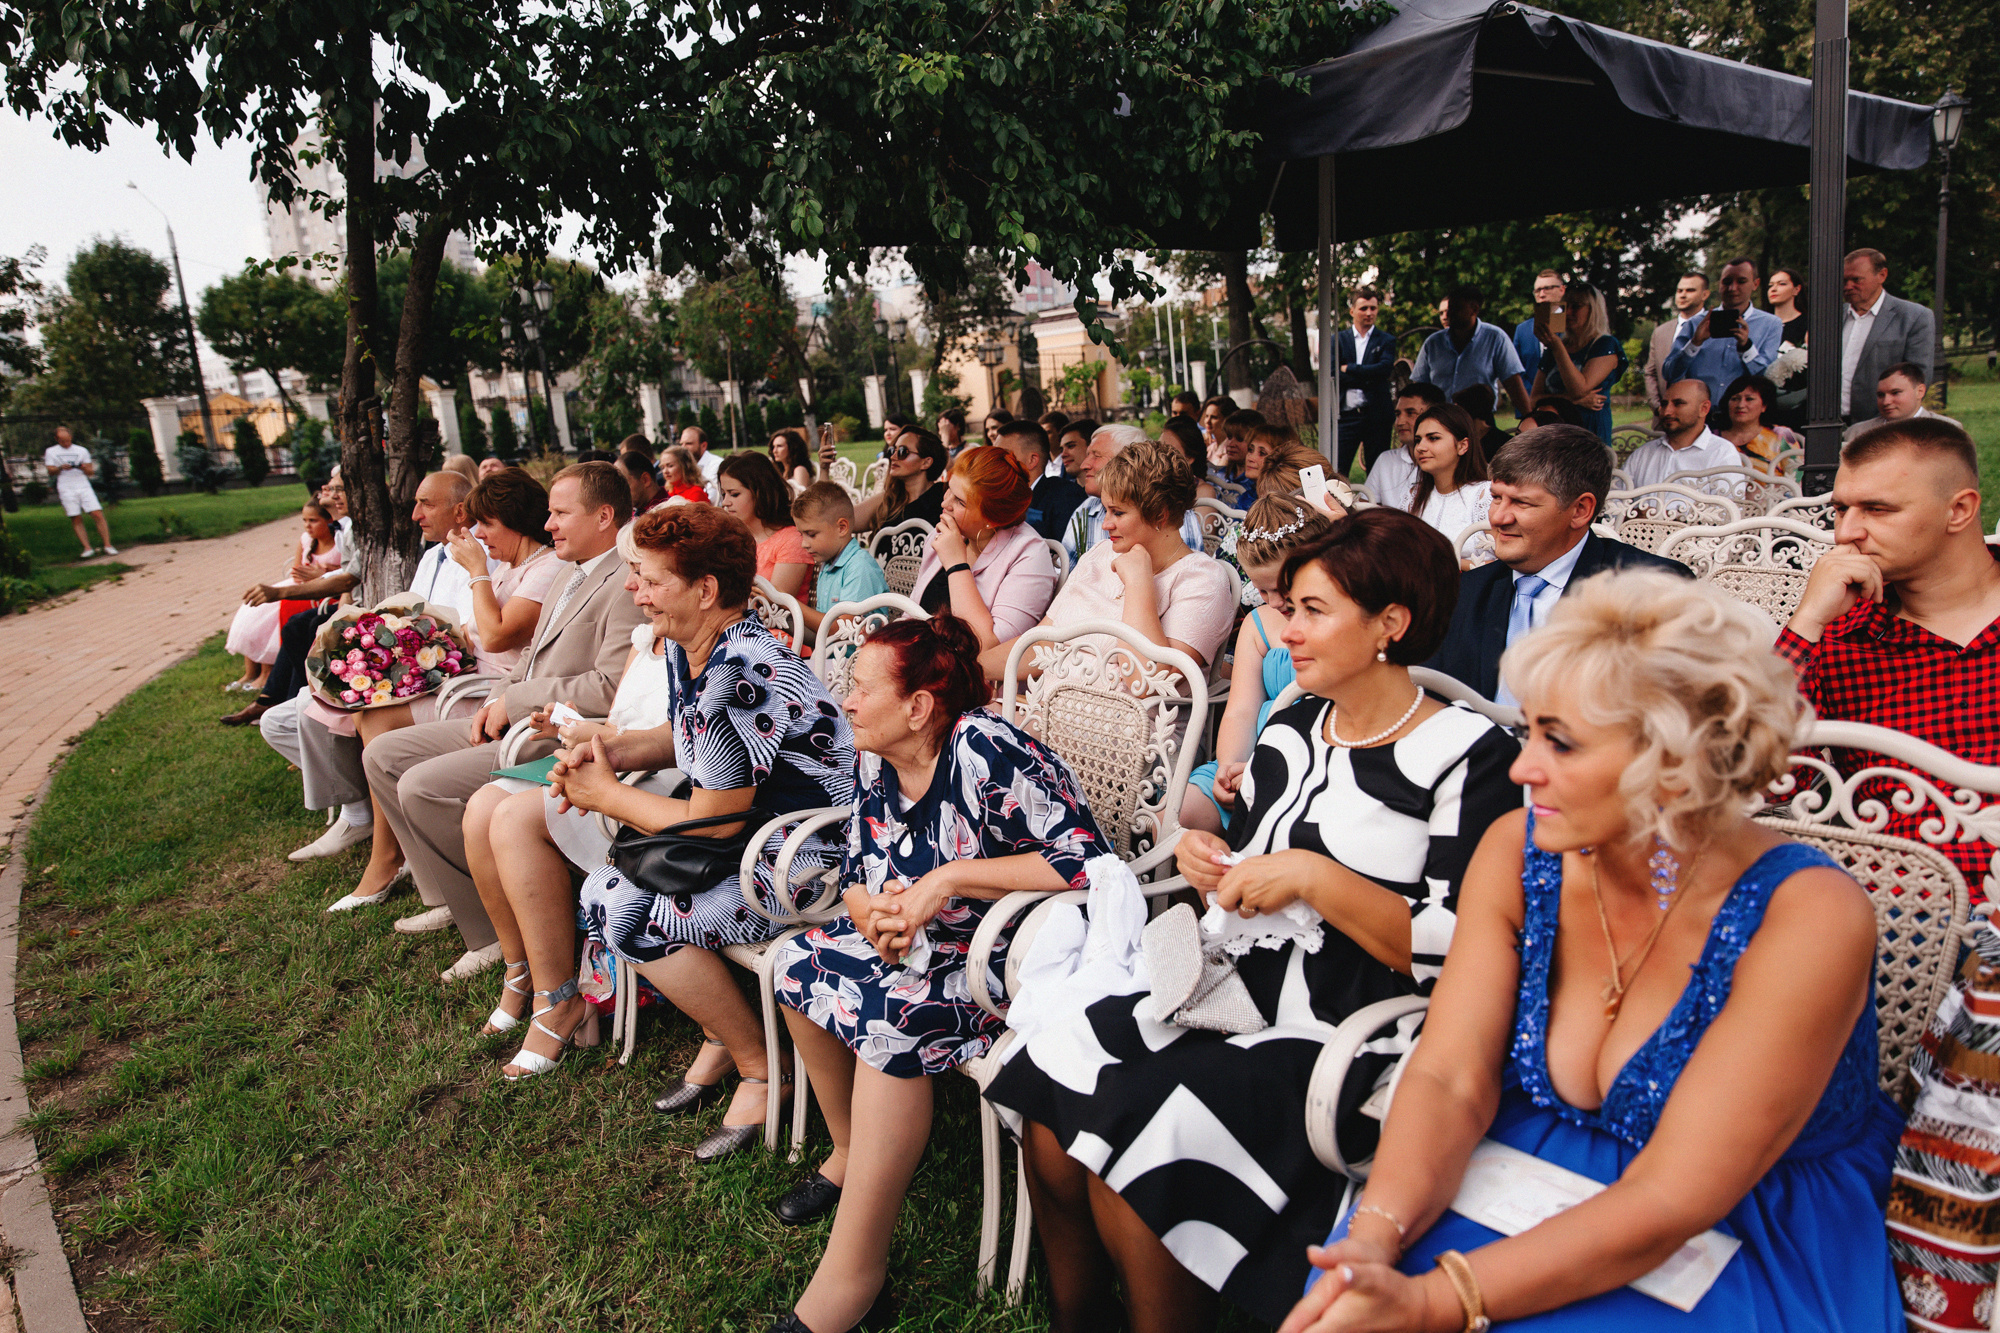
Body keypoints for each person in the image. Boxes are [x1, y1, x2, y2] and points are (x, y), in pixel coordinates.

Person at [1285, 570, 1900, 1333]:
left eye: (1560, 742)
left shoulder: (1807, 914)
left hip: (1740, 1222)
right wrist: (1376, 1236)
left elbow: (1675, 1197)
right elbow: (1448, 1075)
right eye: (1529, 730)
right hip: (1522, 1165)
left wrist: (1436, 1300)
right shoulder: (1520, 849)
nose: (1520, 768)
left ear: (1676, 763)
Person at [986, 507, 1524, 1333]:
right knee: (1052, 1080)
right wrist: (1213, 866)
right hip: (1228, 982)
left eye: (1312, 610)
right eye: (1287, 607)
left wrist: (1315, 877)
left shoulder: (1469, 757)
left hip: (1352, 1019)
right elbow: (1250, 875)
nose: (1284, 631)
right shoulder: (1292, 729)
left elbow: (1458, 948)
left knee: (1142, 1125)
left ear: (1391, 623)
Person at [769, 613, 1111, 1333]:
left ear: (918, 705)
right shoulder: (875, 754)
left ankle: (853, 1279)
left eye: (861, 688)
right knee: (795, 963)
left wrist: (949, 878)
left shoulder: (985, 750)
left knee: (892, 1020)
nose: (847, 701)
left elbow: (1084, 860)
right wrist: (869, 916)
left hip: (998, 955)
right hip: (916, 941)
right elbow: (860, 862)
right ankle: (851, 1150)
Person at [548, 507, 856, 1160]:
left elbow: (714, 817)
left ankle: (761, 1067)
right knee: (609, 894)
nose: (635, 589)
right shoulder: (698, 648)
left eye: (650, 578)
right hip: (749, 839)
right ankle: (728, 1037)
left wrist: (605, 794)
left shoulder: (740, 673)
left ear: (705, 589)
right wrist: (612, 751)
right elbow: (686, 742)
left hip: (807, 855)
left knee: (627, 907)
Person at [362, 461, 645, 978]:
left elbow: (609, 688)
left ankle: (490, 931)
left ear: (605, 516)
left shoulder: (627, 579)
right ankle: (450, 893)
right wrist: (499, 696)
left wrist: (514, 705)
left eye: (560, 513)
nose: (549, 524)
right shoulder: (570, 568)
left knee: (422, 786)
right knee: (382, 754)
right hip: (513, 714)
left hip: (555, 732)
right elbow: (531, 657)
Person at [459, 521, 678, 1045]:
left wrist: (602, 747)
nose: (630, 587)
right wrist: (571, 726)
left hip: (658, 781)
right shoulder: (648, 635)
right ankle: (521, 971)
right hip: (617, 757)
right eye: (630, 571)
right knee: (482, 805)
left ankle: (557, 998)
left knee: (512, 816)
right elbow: (622, 717)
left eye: (641, 574)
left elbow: (678, 737)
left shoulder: (705, 644)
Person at [318, 469, 561, 916]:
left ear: (510, 520)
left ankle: (396, 857)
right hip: (471, 679)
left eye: (485, 523)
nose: (478, 534)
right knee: (367, 708)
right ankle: (410, 857)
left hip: (492, 691)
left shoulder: (545, 569)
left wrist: (475, 573)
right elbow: (475, 633)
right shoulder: (510, 565)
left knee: (380, 722)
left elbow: (496, 637)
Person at [1778, 416, 2000, 895]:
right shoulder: (1837, 639)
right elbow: (1751, 780)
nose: (1846, 533)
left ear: (1959, 510)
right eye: (1840, 510)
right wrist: (1806, 624)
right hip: (1902, 923)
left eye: (1877, 509)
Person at [262, 473, 485, 927]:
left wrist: (408, 663)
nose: (414, 515)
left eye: (425, 504)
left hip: (461, 677)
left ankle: (386, 857)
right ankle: (360, 816)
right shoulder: (431, 556)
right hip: (428, 668)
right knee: (315, 707)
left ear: (459, 511)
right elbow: (416, 616)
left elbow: (472, 635)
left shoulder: (485, 558)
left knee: (372, 718)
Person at [1426, 424, 1691, 705]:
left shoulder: (1652, 592)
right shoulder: (1463, 593)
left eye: (1521, 503)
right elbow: (1430, 697)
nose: (1499, 518)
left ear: (1580, 510)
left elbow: (1666, 713)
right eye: (1496, 498)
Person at [993, 437, 1236, 683]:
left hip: (1134, 719)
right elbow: (1042, 643)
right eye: (1106, 509)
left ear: (1160, 514)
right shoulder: (1101, 553)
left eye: (1118, 512)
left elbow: (1145, 681)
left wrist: (1139, 583)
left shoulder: (1202, 579)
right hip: (1045, 712)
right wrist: (971, 671)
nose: (1106, 524)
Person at [1182, 493, 1333, 833]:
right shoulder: (1259, 623)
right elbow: (1241, 711)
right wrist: (1232, 766)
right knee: (1181, 813)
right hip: (1252, 747)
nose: (1276, 602)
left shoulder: (1336, 622)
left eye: (1284, 587)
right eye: (1263, 592)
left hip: (1311, 754)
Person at [908, 445, 1058, 652]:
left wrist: (956, 565)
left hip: (975, 678)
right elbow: (912, 614)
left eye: (960, 502)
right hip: (918, 660)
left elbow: (989, 646)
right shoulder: (943, 536)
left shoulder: (1029, 555)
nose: (945, 504)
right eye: (948, 489)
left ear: (992, 519)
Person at [223, 500, 342, 694]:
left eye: (313, 520)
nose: (307, 525)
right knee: (256, 608)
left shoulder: (339, 541)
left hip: (323, 590)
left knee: (280, 609)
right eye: (304, 520)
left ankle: (266, 673)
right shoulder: (306, 539)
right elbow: (297, 569)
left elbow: (343, 574)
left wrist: (320, 573)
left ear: (328, 521)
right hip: (300, 585)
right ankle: (250, 672)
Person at [1062, 425, 1206, 562]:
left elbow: (1182, 567)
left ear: (1128, 463)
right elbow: (1066, 573)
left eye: (1096, 456)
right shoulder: (1086, 510)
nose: (1084, 465)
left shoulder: (1174, 516)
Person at [1663, 257, 1783, 412]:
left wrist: (1747, 347)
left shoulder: (1770, 324)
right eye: (1726, 282)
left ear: (1755, 284)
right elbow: (1670, 373)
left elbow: (1767, 378)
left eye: (1741, 281)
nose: (1732, 288)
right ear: (1719, 285)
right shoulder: (1696, 323)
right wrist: (1695, 343)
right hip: (1700, 418)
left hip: (1742, 418)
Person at [1839, 247, 1935, 423]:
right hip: (1829, 422)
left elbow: (1918, 376)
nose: (1848, 286)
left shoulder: (1913, 317)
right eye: (1844, 280)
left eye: (1856, 280)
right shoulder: (1832, 317)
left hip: (1881, 425)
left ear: (1882, 275)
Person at [1528, 280, 1627, 445]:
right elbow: (1534, 399)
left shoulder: (1605, 345)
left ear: (1593, 310)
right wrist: (1571, 401)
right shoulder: (1554, 346)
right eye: (1564, 307)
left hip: (1588, 434)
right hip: (1554, 434)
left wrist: (1558, 347)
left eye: (1576, 306)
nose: (1568, 313)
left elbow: (1579, 389)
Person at [1410, 286, 1532, 420]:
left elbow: (1513, 384)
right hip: (1441, 420)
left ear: (1474, 309)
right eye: (1448, 309)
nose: (1448, 314)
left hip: (1480, 422)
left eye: (1456, 309)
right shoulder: (1433, 343)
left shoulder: (1496, 338)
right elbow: (1419, 389)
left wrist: (1529, 418)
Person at [792, 483, 889, 642]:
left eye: (811, 534)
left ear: (842, 528)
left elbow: (842, 630)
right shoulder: (828, 562)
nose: (804, 543)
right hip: (831, 656)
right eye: (801, 535)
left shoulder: (859, 567)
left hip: (855, 661)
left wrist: (792, 605)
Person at [717, 451, 811, 600]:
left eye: (734, 494)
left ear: (760, 493)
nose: (725, 502)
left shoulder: (791, 540)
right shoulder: (735, 537)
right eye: (723, 494)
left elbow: (775, 605)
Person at [1620, 380, 1745, 491]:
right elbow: (1615, 500)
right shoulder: (1644, 453)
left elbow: (1729, 511)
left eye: (1678, 404)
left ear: (1704, 409)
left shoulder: (1722, 453)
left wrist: (1674, 518)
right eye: (1664, 404)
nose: (1667, 412)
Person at [1403, 405, 1492, 546]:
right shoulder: (1414, 496)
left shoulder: (1485, 495)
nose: (1420, 447)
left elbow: (1504, 561)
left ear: (1462, 446)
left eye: (1433, 438)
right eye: (1418, 440)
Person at [1335, 288, 1400, 477]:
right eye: (1364, 308)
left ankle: (1376, 506)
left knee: (1377, 471)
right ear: (1352, 311)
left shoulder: (1386, 340)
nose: (1369, 313)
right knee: (1338, 470)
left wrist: (1351, 368)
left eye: (1373, 308)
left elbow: (1384, 370)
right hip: (1346, 415)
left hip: (1377, 415)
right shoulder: (1337, 340)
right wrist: (1369, 376)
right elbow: (1333, 373)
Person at [837, 426, 948, 533]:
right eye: (892, 450)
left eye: (902, 452)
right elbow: (839, 521)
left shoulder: (945, 499)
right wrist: (824, 469)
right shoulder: (890, 500)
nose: (893, 457)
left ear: (926, 462)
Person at [996, 419, 1085, 541]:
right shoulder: (998, 499)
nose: (994, 463)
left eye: (1004, 456)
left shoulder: (1065, 496)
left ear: (1032, 460)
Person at [1644, 273, 1711, 429]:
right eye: (1679, 291)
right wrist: (1658, 407)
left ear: (1705, 294)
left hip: (1704, 422)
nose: (1682, 295)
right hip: (1664, 422)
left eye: (1690, 290)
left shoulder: (1715, 329)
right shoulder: (1661, 332)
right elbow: (1651, 372)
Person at [1843, 362, 1962, 445]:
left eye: (1895, 393)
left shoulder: (1947, 430)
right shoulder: (1857, 434)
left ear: (1920, 391)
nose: (1886, 402)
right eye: (1881, 395)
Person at [1367, 382, 1447, 504]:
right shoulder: (1386, 460)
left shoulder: (1446, 462)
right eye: (1398, 414)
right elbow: (1365, 506)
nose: (1400, 422)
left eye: (1410, 413)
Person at [43, 427, 115, 558]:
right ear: (56, 439)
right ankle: (87, 548)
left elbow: (90, 471)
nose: (66, 443)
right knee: (75, 517)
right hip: (66, 487)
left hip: (83, 485)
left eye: (68, 440)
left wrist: (82, 467)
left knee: (97, 513)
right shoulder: (51, 451)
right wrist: (60, 468)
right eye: (63, 441)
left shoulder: (81, 450)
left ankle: (108, 545)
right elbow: (50, 470)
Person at [1718, 373, 1804, 470]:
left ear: (1764, 406)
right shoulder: (1713, 438)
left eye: (1749, 399)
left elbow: (1796, 476)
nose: (1740, 405)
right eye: (1735, 399)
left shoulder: (1781, 435)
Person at [1512, 270, 1566, 390]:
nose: (1541, 294)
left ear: (1562, 290)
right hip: (1530, 403)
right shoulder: (1522, 330)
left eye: (1547, 288)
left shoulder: (1574, 325)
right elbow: (1516, 371)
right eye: (1537, 290)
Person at [1210, 409, 1263, 509]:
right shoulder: (1220, 475)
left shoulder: (1257, 483)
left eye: (1239, 439)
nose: (1231, 444)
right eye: (1229, 437)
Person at [1160, 416, 1219, 502]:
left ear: (1189, 458)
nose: (1161, 455)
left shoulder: (1204, 492)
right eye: (1159, 447)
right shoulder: (1156, 486)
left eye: (1169, 451)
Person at [679, 424, 721, 500]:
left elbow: (712, 498)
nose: (683, 448)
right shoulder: (682, 466)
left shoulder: (716, 465)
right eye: (681, 444)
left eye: (689, 444)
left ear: (703, 446)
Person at [618, 449, 667, 515]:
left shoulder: (672, 513)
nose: (619, 492)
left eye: (624, 485)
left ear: (645, 480)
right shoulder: (629, 515)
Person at [1768, 266, 1808, 345]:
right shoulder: (1762, 324)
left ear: (1796, 289)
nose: (1773, 289)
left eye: (1782, 284)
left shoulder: (1808, 324)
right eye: (1770, 285)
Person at [770, 428, 817, 492]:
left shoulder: (799, 470)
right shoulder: (782, 471)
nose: (774, 451)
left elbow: (800, 497)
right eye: (773, 447)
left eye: (779, 446)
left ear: (792, 448)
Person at [1056, 417, 1098, 484]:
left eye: (1070, 446)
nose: (1063, 455)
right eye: (1061, 450)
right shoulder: (1061, 493)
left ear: (1092, 446)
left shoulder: (1116, 490)